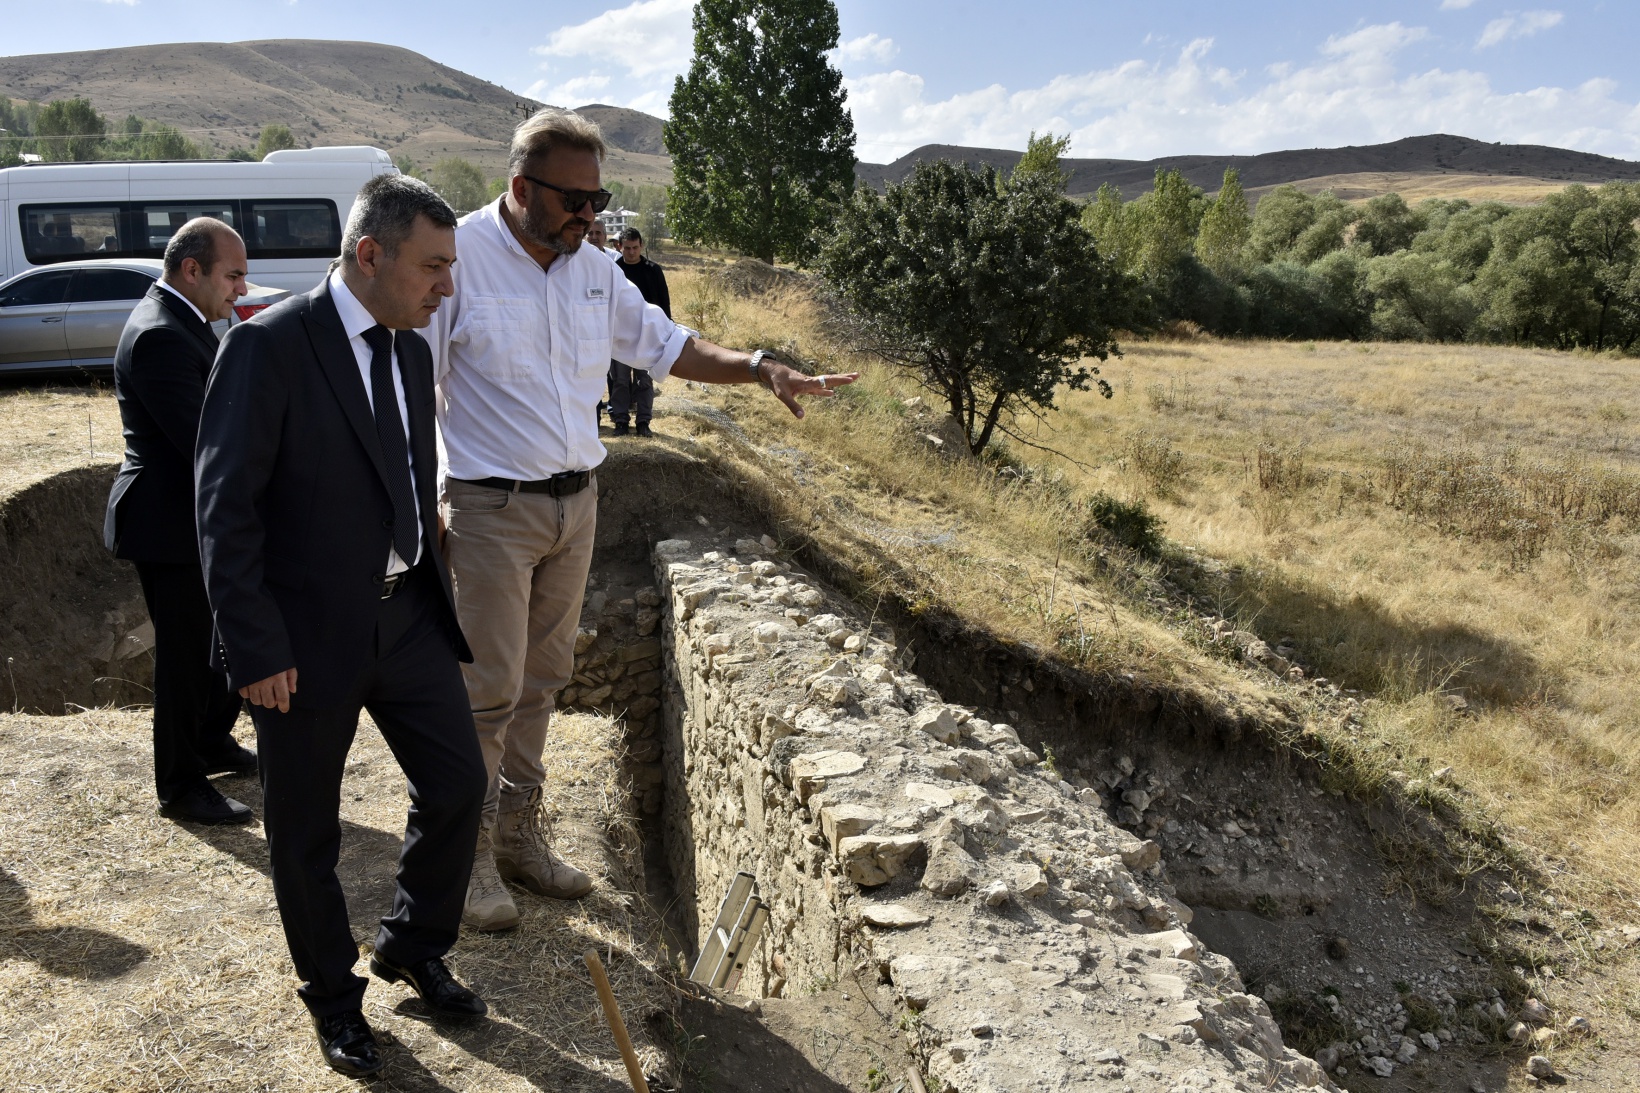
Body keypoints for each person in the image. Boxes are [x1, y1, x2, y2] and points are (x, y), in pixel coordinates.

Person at [428, 107, 857, 933]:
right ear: (521, 188)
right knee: (485, 690)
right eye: (575, 200)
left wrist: (762, 367)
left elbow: (666, 345)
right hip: (487, 507)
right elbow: (414, 389)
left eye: (600, 199)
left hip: (576, 502)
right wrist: (421, 512)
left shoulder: (591, 268)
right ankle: (470, 856)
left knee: (543, 681)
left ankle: (518, 837)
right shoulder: (462, 259)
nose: (592, 216)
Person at [195, 175, 488, 1078]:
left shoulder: (406, 349)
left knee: (458, 785)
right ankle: (334, 998)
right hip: (302, 639)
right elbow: (223, 508)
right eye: (434, 267)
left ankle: (411, 942)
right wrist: (254, 645)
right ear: (371, 254)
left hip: (406, 621)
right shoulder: (266, 347)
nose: (447, 287)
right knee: (305, 832)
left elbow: (401, 468)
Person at [104, 217, 258, 825]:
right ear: (191, 270)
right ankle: (180, 784)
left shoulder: (184, 322)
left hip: (191, 518)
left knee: (217, 639)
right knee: (186, 654)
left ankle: (210, 741)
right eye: (233, 275)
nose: (241, 290)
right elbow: (204, 440)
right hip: (168, 524)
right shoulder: (161, 335)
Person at [608, 227, 668, 437]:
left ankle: (644, 422)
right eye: (627, 248)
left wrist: (666, 332)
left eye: (635, 247)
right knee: (620, 381)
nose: (631, 252)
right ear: (620, 247)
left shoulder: (653, 270)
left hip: (648, 336)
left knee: (644, 380)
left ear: (641, 246)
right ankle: (621, 421)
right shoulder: (614, 270)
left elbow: (663, 303)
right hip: (621, 335)